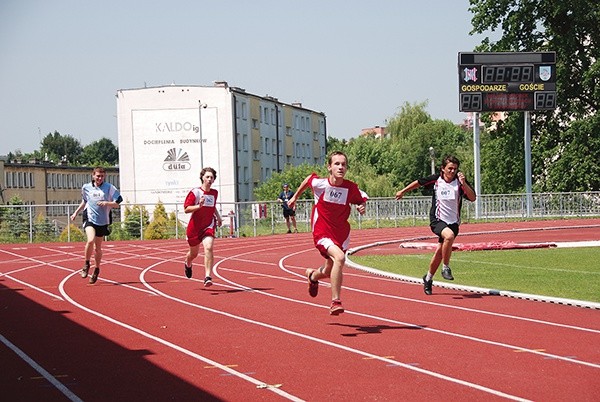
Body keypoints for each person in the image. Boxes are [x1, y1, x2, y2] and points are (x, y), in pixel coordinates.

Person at [288, 151, 368, 315]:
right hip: (322, 231)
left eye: (343, 164)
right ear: (329, 167)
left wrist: (361, 206)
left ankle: (312, 277)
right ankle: (335, 301)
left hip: (341, 234)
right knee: (340, 258)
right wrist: (295, 197)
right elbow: (308, 179)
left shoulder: (350, 187)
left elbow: (361, 199)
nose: (340, 167)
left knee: (328, 270)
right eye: (337, 164)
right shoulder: (320, 184)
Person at [395, 155, 476, 295]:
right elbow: (418, 182)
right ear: (443, 168)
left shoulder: (459, 182)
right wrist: (403, 191)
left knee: (440, 251)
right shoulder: (436, 179)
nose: (452, 171)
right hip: (437, 220)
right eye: (450, 168)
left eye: (455, 169)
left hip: (454, 222)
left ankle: (428, 278)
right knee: (449, 237)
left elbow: (473, 198)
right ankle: (446, 267)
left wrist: (464, 184)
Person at [70, 166, 122, 284]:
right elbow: (85, 201)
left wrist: (107, 203)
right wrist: (75, 213)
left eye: (102, 176)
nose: (100, 178)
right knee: (90, 240)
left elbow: (118, 202)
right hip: (89, 217)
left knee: (98, 248)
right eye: (98, 176)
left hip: (102, 220)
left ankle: (97, 268)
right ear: (93, 175)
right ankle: (86, 263)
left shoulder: (109, 188)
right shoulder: (86, 187)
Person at [183, 167, 223, 287]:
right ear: (202, 178)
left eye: (212, 177)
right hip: (194, 227)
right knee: (193, 254)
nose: (210, 179)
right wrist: (198, 206)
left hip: (208, 225)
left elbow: (213, 206)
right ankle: (188, 262)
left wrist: (218, 217)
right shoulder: (195, 192)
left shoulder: (214, 193)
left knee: (209, 247)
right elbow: (186, 209)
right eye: (207, 177)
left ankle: (207, 276)